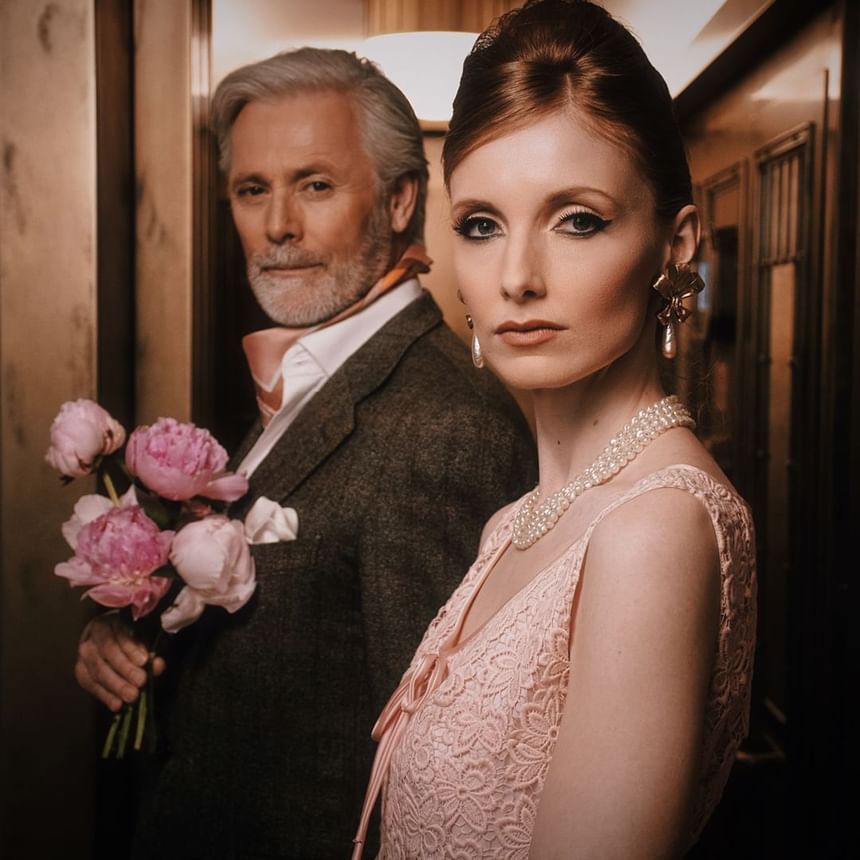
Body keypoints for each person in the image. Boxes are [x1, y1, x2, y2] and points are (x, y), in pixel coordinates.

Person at [73, 48, 537, 859]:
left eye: (315, 184)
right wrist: (124, 642)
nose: (278, 224)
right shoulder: (306, 376)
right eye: (253, 190)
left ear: (399, 200)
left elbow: (443, 781)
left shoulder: (447, 426)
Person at [352, 2, 757, 858]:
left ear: (674, 244)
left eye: (578, 219)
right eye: (482, 225)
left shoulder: (652, 529)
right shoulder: (519, 518)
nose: (517, 278)